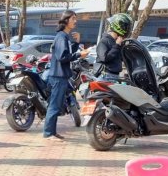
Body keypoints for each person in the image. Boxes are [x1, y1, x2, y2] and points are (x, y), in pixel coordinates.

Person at [43, 10, 89, 141]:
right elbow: (63, 57)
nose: (75, 21)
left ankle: (52, 131)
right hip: (58, 77)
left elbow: (67, 53)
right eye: (73, 18)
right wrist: (80, 54)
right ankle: (48, 133)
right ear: (66, 20)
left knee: (57, 105)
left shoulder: (64, 36)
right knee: (54, 105)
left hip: (61, 76)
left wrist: (76, 43)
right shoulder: (61, 37)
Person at [93, 13, 132, 81]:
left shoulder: (117, 41)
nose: (127, 29)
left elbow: (122, 58)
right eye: (125, 26)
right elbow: (104, 58)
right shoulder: (104, 41)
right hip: (105, 76)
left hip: (115, 76)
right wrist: (117, 45)